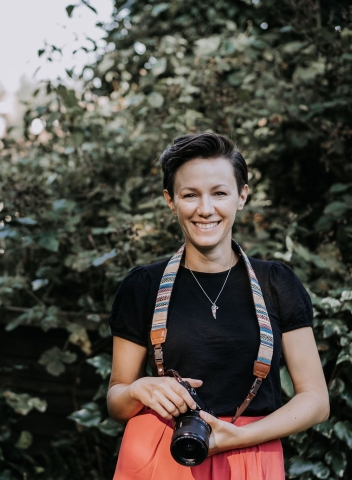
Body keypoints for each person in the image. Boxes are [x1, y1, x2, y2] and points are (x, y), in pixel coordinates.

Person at [107, 132, 329, 480]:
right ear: (171, 200)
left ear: (242, 196)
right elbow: (117, 401)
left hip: (250, 451)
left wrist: (239, 437)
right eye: (190, 195)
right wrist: (137, 389)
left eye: (220, 193)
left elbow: (316, 400)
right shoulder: (143, 285)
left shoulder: (277, 282)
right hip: (162, 456)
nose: (205, 209)